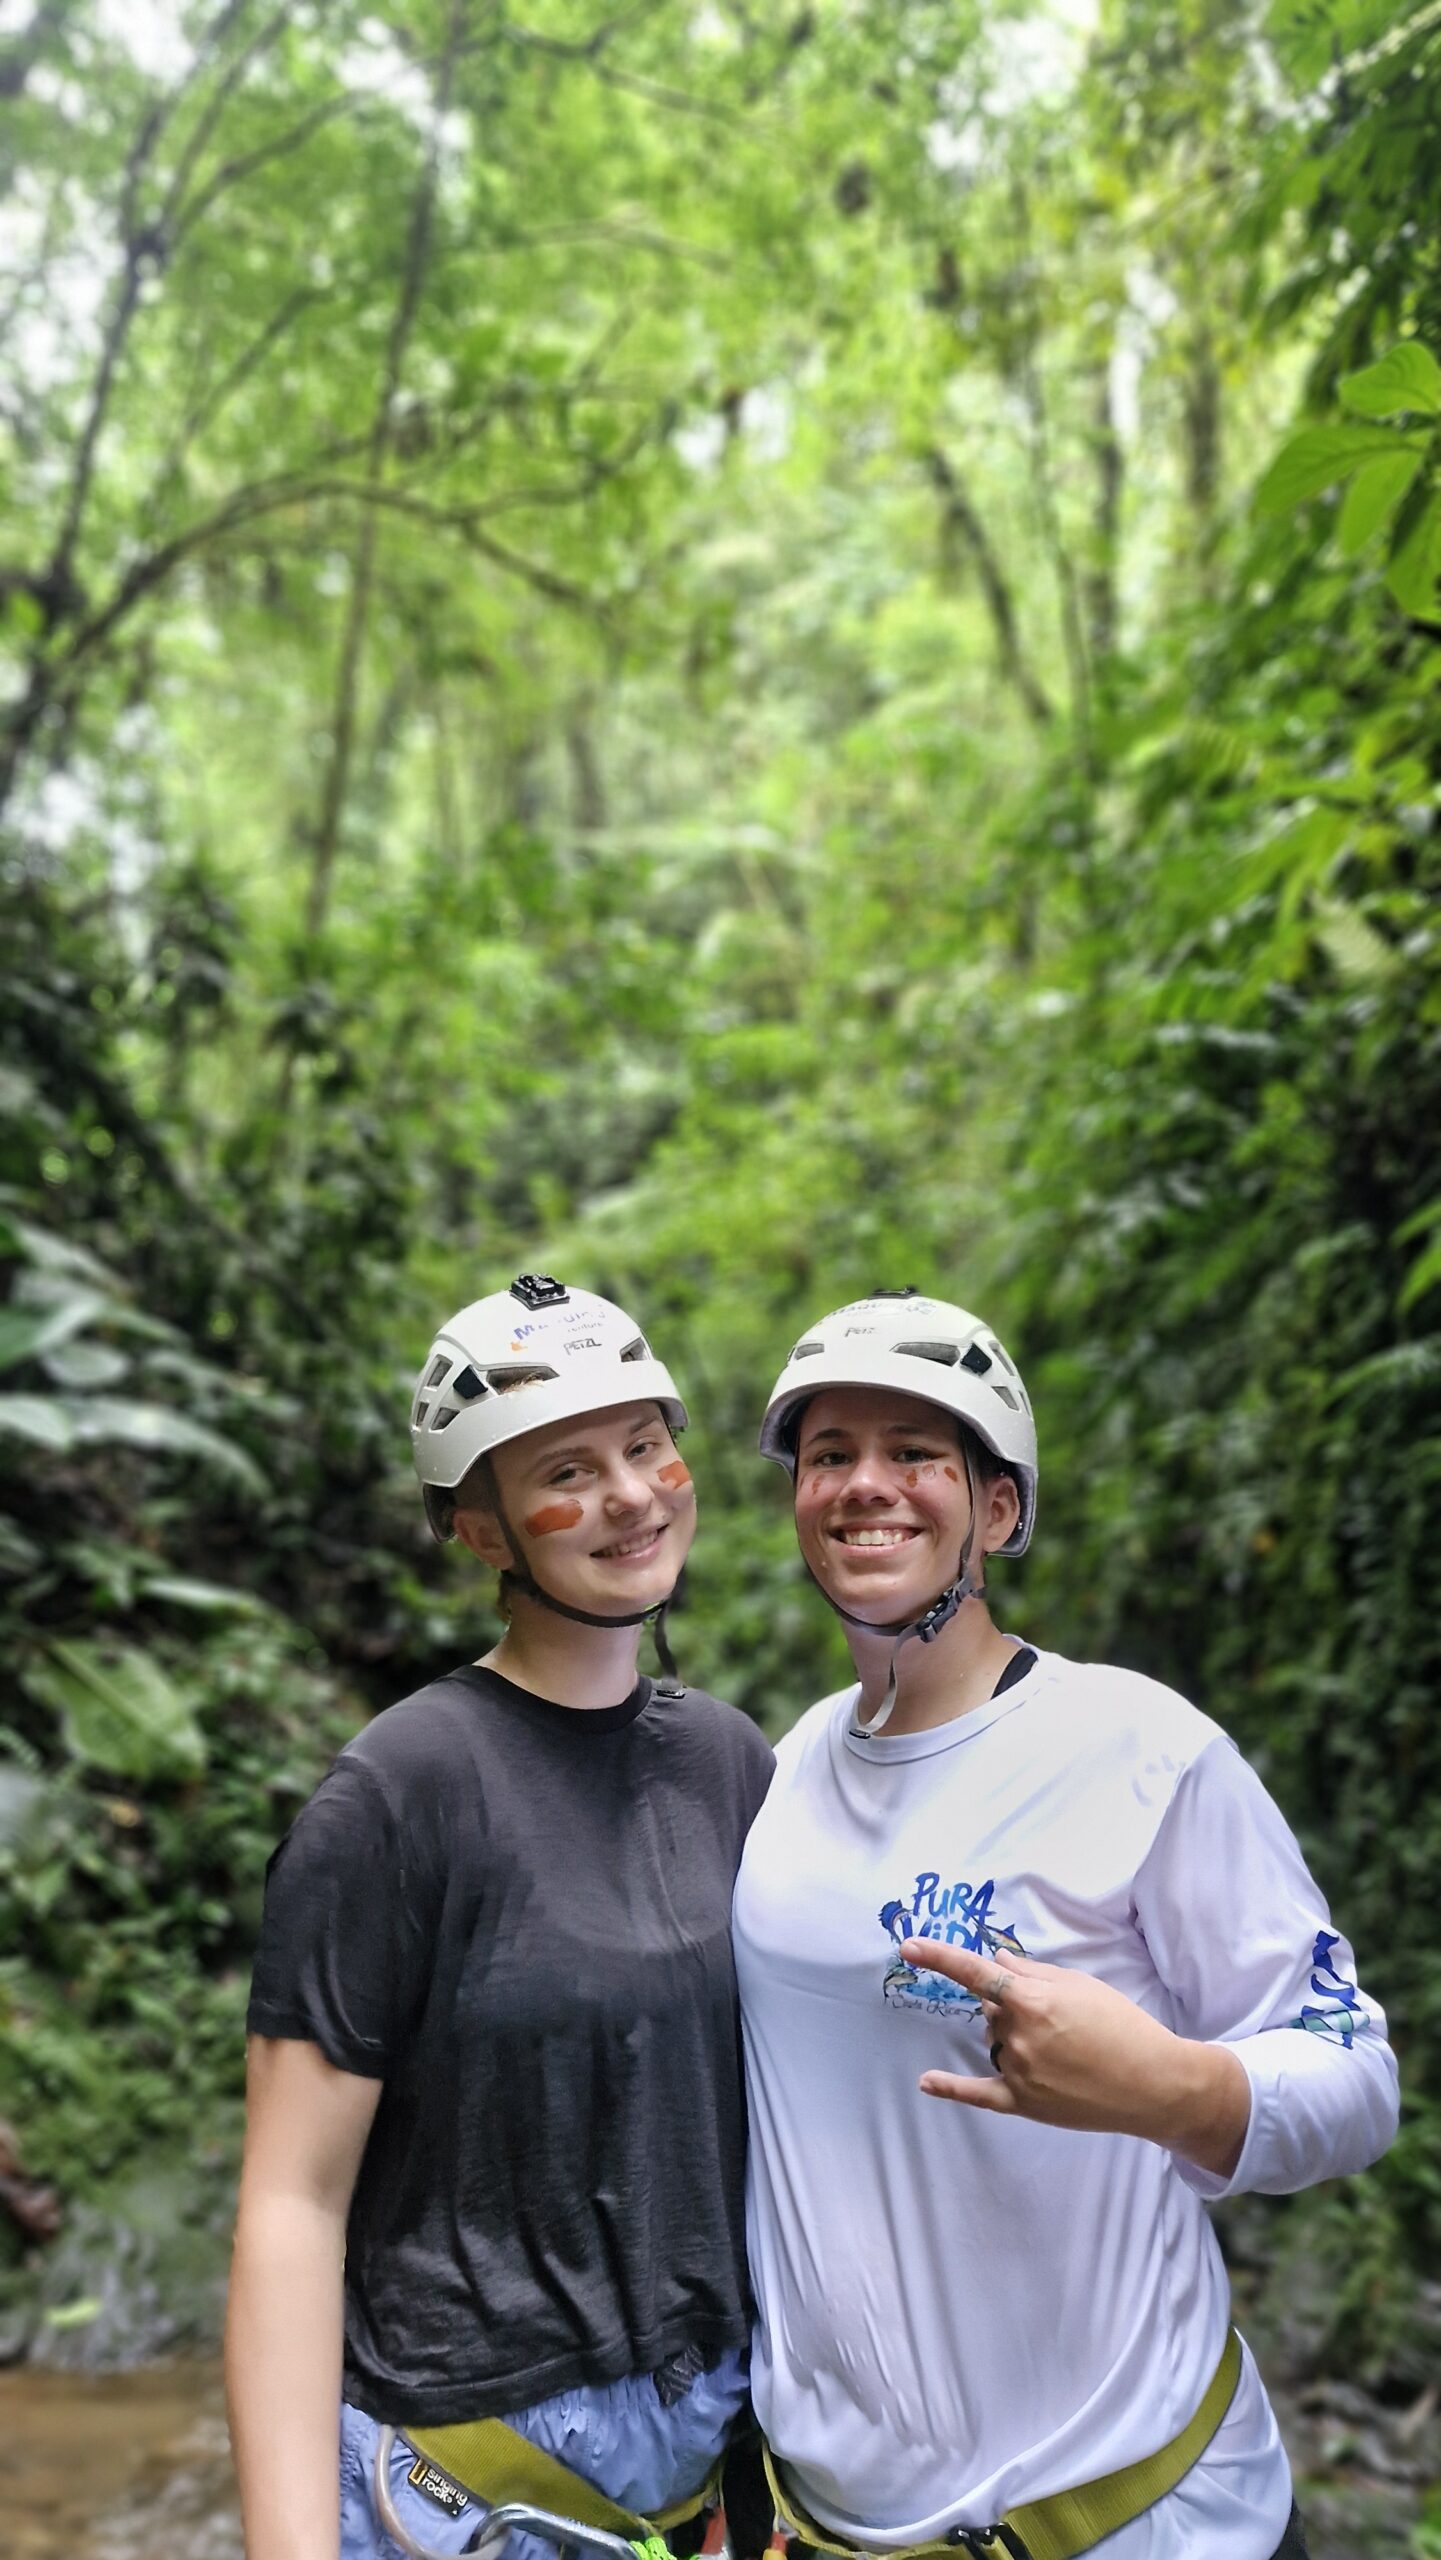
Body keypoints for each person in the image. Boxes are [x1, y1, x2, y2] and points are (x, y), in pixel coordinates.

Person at [733, 1286, 1398, 2560]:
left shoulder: (1139, 1749)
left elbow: (1356, 2074)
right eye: (830, 1455)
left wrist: (1174, 2086)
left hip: (1147, 2523)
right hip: (827, 2531)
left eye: (914, 1451)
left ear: (996, 1508)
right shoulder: (789, 1767)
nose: (865, 1483)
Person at [227, 1275, 774, 2560]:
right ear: (480, 1530)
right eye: (568, 1470)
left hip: (700, 2462)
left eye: (646, 1446)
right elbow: (289, 2204)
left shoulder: (729, 1761)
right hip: (462, 2494)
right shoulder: (399, 1794)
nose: (633, 1495)